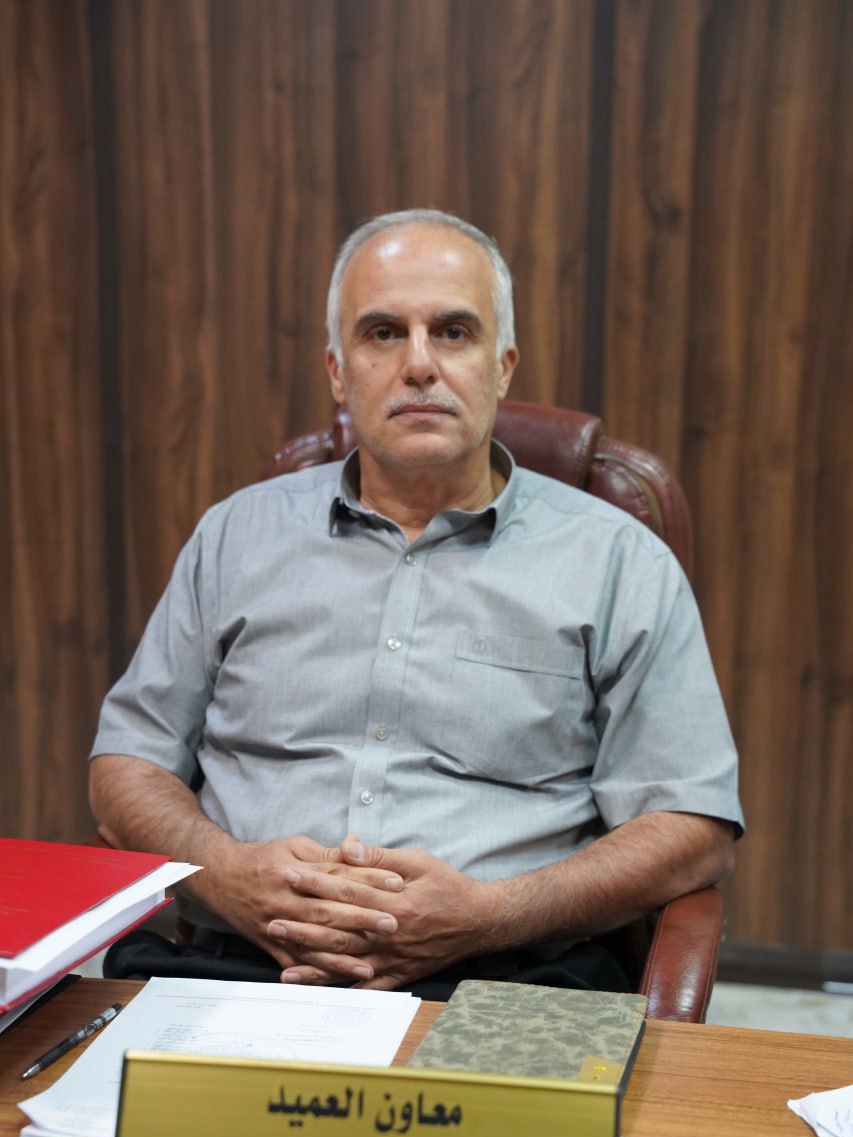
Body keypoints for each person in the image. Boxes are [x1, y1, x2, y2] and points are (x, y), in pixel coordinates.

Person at [90, 208, 743, 999]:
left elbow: (691, 827)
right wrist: (224, 872)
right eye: (382, 333)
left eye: (454, 332)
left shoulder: (617, 560)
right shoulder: (236, 535)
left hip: (512, 982)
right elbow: (127, 763)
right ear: (339, 373)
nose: (420, 365)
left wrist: (491, 915)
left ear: (501, 367)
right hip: (241, 971)